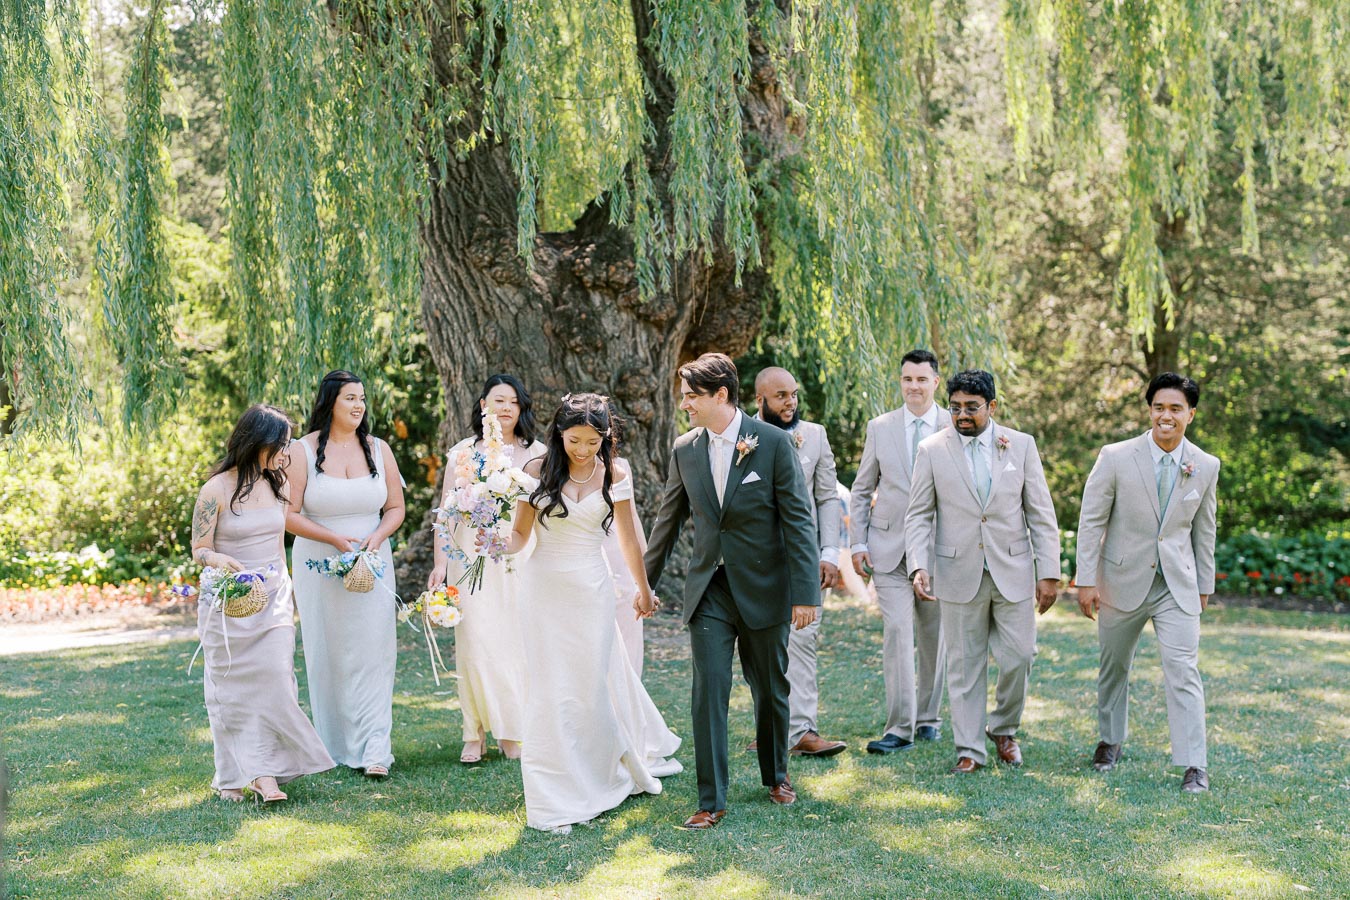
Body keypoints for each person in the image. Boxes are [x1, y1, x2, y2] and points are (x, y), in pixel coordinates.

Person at [644, 353, 819, 830]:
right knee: (709, 691)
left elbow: (799, 523)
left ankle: (776, 774)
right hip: (709, 591)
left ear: (720, 395)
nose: (683, 405)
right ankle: (711, 800)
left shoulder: (774, 443)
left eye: (691, 396)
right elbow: (667, 521)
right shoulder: (685, 448)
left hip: (765, 587)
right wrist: (644, 584)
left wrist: (806, 594)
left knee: (770, 689)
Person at [505, 393, 681, 833]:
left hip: (592, 592)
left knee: (589, 684)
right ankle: (552, 786)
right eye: (573, 440)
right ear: (558, 434)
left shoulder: (615, 473)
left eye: (591, 441)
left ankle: (600, 768)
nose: (582, 450)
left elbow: (627, 539)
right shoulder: (535, 472)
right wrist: (489, 548)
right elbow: (520, 537)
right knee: (549, 685)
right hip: (543, 590)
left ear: (605, 437)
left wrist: (643, 589)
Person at [905, 369, 1061, 773]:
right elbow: (919, 515)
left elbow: (1041, 514)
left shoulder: (1021, 446)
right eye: (955, 407)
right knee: (964, 665)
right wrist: (919, 565)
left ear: (992, 406)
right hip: (957, 571)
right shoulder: (932, 449)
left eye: (971, 408)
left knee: (1020, 656)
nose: (961, 416)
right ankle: (969, 750)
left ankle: (1004, 728)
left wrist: (1049, 572)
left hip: (1014, 570)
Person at [1075, 373, 1219, 793]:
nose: (1166, 416)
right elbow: (1091, 521)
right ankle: (1110, 740)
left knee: (1183, 669)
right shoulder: (1116, 457)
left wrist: (1204, 584)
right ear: (1150, 411)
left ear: (1191, 414)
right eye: (1159, 407)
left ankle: (1194, 764)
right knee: (1113, 666)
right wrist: (1086, 580)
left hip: (1177, 586)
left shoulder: (1205, 466)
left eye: (1175, 408)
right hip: (1121, 579)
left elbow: (1204, 530)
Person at [191, 404, 334, 802]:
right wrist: (219, 559)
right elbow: (199, 549)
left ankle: (266, 770)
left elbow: (279, 537)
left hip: (272, 598)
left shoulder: (278, 484)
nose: (284, 453)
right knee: (234, 690)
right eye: (280, 444)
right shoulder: (215, 489)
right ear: (256, 442)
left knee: (275, 679)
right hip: (229, 600)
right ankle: (251, 775)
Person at [285, 370, 406, 778]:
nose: (358, 406)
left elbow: (395, 509)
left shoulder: (378, 448)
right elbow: (287, 515)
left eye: (362, 398)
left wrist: (375, 537)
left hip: (373, 560)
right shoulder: (301, 452)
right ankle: (332, 744)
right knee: (328, 651)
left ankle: (376, 749)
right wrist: (335, 539)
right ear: (330, 403)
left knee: (375, 650)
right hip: (319, 561)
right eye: (350, 398)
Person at [428, 374, 545, 763]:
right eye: (498, 400)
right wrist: (440, 564)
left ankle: (512, 730)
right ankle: (473, 732)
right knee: (473, 644)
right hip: (469, 557)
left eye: (513, 401)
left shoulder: (537, 453)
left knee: (514, 645)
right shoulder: (462, 452)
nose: (506, 408)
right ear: (483, 406)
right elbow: (445, 513)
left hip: (517, 558)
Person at [850, 349, 953, 752]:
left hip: (940, 549)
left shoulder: (954, 424)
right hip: (888, 548)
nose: (914, 386)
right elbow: (861, 489)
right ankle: (899, 728)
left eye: (921, 379)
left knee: (934, 635)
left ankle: (929, 718)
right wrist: (858, 541)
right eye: (907, 379)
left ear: (935, 383)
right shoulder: (881, 427)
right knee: (897, 631)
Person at [748, 366, 846, 758]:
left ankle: (804, 729)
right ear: (761, 400)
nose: (790, 403)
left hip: (804, 556)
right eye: (781, 397)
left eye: (793, 395)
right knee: (760, 646)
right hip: (755, 559)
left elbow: (827, 498)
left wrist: (829, 553)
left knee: (804, 641)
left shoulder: (816, 436)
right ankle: (770, 727)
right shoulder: (741, 435)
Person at [599, 410, 650, 677]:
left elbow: (631, 519)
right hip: (587, 555)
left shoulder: (620, 468)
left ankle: (628, 700)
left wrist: (645, 573)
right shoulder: (558, 471)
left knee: (627, 631)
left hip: (620, 555)